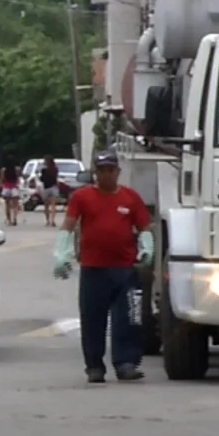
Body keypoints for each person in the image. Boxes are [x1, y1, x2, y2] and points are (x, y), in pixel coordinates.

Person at [52, 151, 153, 384]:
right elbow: (68, 225)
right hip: (93, 269)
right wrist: (61, 252)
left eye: (110, 170)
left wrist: (148, 247)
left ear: (117, 171)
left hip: (125, 269)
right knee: (93, 320)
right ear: (94, 173)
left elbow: (144, 226)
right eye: (101, 170)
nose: (106, 175)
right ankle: (94, 366)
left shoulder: (130, 197)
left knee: (128, 318)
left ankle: (126, 363)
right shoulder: (82, 197)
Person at [0, 157, 20, 226]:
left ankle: (9, 220)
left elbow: (2, 179)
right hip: (14, 187)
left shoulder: (3, 170)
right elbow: (17, 178)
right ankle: (15, 218)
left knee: (7, 205)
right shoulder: (17, 169)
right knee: (15, 205)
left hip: (6, 188)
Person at [39, 156, 60, 227]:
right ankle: (53, 221)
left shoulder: (43, 170)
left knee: (46, 206)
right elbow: (56, 178)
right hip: (54, 188)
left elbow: (42, 179)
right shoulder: (55, 169)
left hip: (46, 188)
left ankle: (48, 221)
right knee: (53, 205)